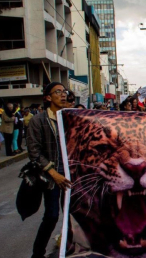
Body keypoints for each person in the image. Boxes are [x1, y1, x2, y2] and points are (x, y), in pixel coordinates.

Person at [27, 82, 72, 258]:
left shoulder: (68, 117)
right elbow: (34, 153)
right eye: (58, 92)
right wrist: (54, 173)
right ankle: (38, 254)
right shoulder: (38, 120)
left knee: (71, 214)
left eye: (64, 92)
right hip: (51, 176)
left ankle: (69, 248)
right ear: (47, 97)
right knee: (52, 215)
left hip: (69, 175)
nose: (63, 95)